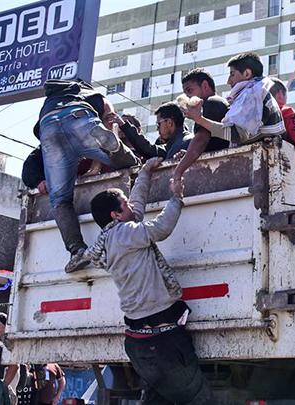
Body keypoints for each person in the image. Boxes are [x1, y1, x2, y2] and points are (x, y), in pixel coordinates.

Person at [78, 157, 212, 403]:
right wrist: (176, 196)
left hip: (139, 342)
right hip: (162, 342)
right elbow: (160, 228)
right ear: (116, 215)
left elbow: (136, 206)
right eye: (125, 203)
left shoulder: (109, 238)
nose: (131, 205)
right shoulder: (124, 234)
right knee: (199, 399)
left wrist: (145, 172)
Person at [35, 79, 140, 271]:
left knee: (59, 199)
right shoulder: (93, 95)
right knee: (130, 163)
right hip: (80, 118)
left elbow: (39, 136)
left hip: (47, 126)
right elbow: (109, 118)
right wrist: (97, 161)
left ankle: (77, 250)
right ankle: (115, 147)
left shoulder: (49, 102)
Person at [181, 52, 285, 174]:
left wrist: (200, 119)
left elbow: (236, 134)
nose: (228, 81)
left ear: (247, 74)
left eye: (232, 74)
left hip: (261, 163)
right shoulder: (257, 90)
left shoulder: (252, 94)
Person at [172, 68, 230, 180]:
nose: (188, 98)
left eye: (190, 90)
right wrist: (187, 155)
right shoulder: (215, 104)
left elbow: (201, 141)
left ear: (205, 85)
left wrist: (178, 173)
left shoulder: (211, 102)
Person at [120, 102, 193, 160]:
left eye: (158, 124)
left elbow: (148, 149)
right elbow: (148, 149)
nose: (157, 129)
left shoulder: (186, 142)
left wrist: (123, 124)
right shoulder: (173, 144)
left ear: (169, 122)